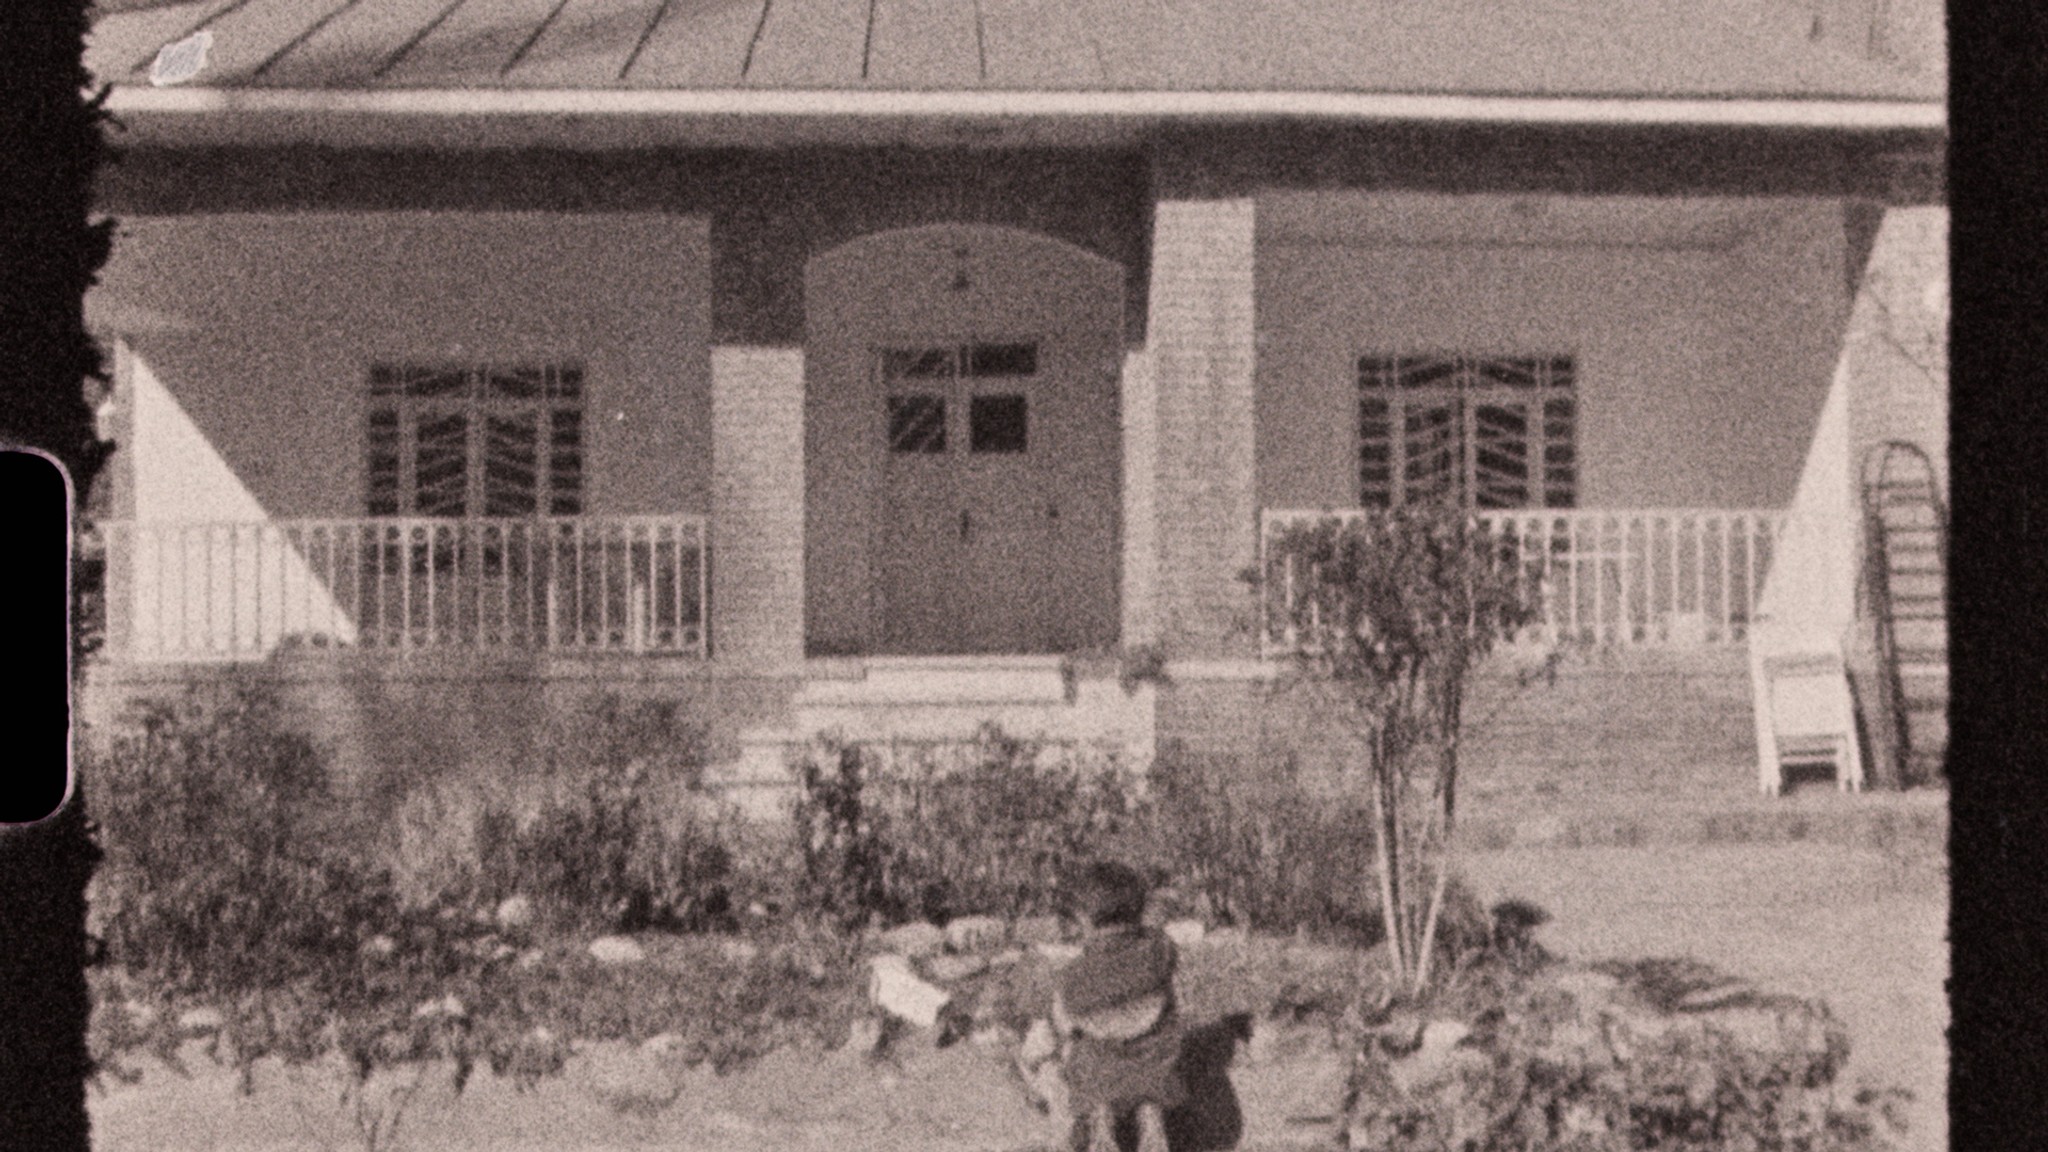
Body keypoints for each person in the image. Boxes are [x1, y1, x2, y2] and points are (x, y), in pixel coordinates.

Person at [1053, 861, 1185, 1152]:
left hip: (1100, 1074)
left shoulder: (1076, 972)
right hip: (1155, 1065)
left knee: (1079, 1051)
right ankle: (1150, 1115)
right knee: (1166, 1009)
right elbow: (1177, 985)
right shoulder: (1160, 948)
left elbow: (1066, 1021)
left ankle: (1101, 1122)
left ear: (1084, 918)